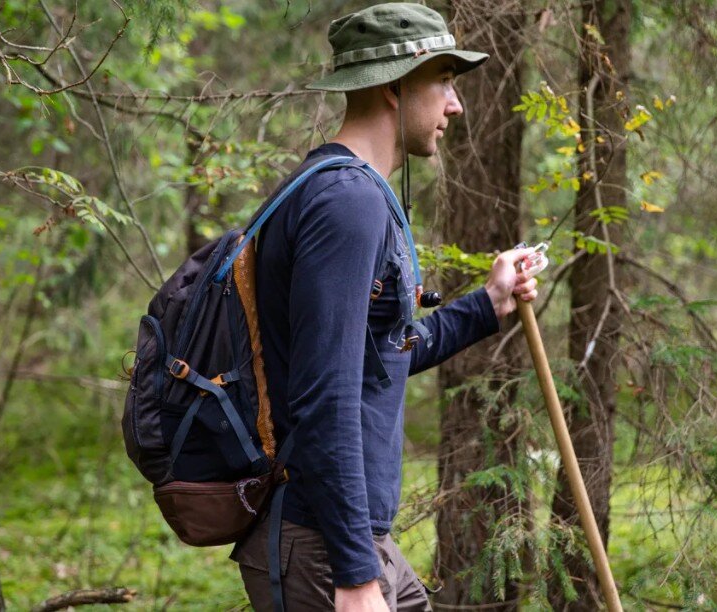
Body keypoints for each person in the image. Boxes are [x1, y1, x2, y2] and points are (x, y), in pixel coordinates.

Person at [230, 3, 544, 610]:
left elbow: (376, 357)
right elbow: (327, 395)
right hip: (324, 545)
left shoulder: (350, 191)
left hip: (352, 539)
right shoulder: (346, 203)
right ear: (396, 87)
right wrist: (353, 576)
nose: (456, 104)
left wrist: (488, 302)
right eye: (444, 81)